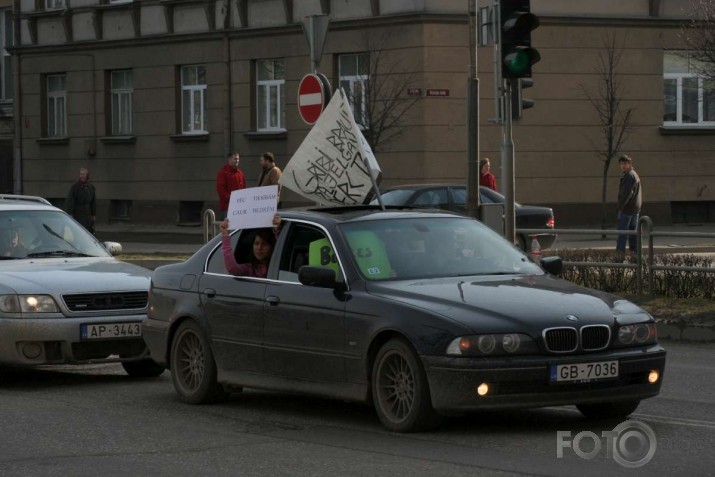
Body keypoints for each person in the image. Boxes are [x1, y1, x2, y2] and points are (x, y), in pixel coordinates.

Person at [616, 154, 642, 256]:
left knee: (623, 234)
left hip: (627, 209)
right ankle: (634, 256)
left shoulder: (629, 176)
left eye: (625, 163)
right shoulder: (633, 174)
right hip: (635, 209)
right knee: (633, 234)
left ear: (629, 164)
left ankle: (619, 256)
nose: (623, 166)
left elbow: (626, 194)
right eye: (621, 164)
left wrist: (620, 206)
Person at [65, 167, 96, 234]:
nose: (82, 176)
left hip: (88, 212)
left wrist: (93, 214)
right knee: (78, 230)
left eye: (83, 174)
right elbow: (71, 200)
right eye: (81, 174)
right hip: (78, 211)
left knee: (87, 230)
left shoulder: (91, 187)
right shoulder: (75, 187)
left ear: (87, 175)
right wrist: (70, 213)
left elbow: (93, 201)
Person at [216, 152, 246, 220]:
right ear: (229, 159)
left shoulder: (240, 173)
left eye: (238, 159)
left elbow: (244, 188)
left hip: (240, 207)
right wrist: (231, 198)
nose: (237, 161)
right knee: (228, 228)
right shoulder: (223, 173)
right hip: (228, 207)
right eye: (235, 159)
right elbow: (220, 189)